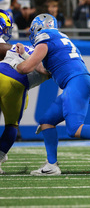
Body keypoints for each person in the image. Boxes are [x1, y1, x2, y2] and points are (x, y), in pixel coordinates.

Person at [12, 14, 90, 175]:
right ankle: (51, 165)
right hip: (81, 82)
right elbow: (45, 71)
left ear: (38, 28)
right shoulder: (59, 37)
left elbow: (25, 68)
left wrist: (13, 64)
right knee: (47, 121)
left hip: (76, 83)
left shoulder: (45, 37)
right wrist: (26, 56)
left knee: (73, 128)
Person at [0, 10, 48, 174]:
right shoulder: (49, 55)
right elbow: (45, 70)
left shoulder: (15, 46)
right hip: (15, 83)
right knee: (12, 125)